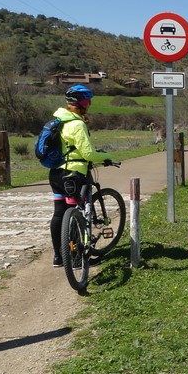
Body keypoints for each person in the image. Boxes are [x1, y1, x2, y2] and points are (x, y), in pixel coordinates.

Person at [48, 84, 112, 267]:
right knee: (78, 213)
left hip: (56, 174)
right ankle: (76, 260)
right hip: (74, 174)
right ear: (83, 103)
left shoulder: (58, 120)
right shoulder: (77, 124)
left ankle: (59, 257)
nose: (90, 104)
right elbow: (89, 154)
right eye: (88, 101)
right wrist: (107, 156)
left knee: (59, 214)